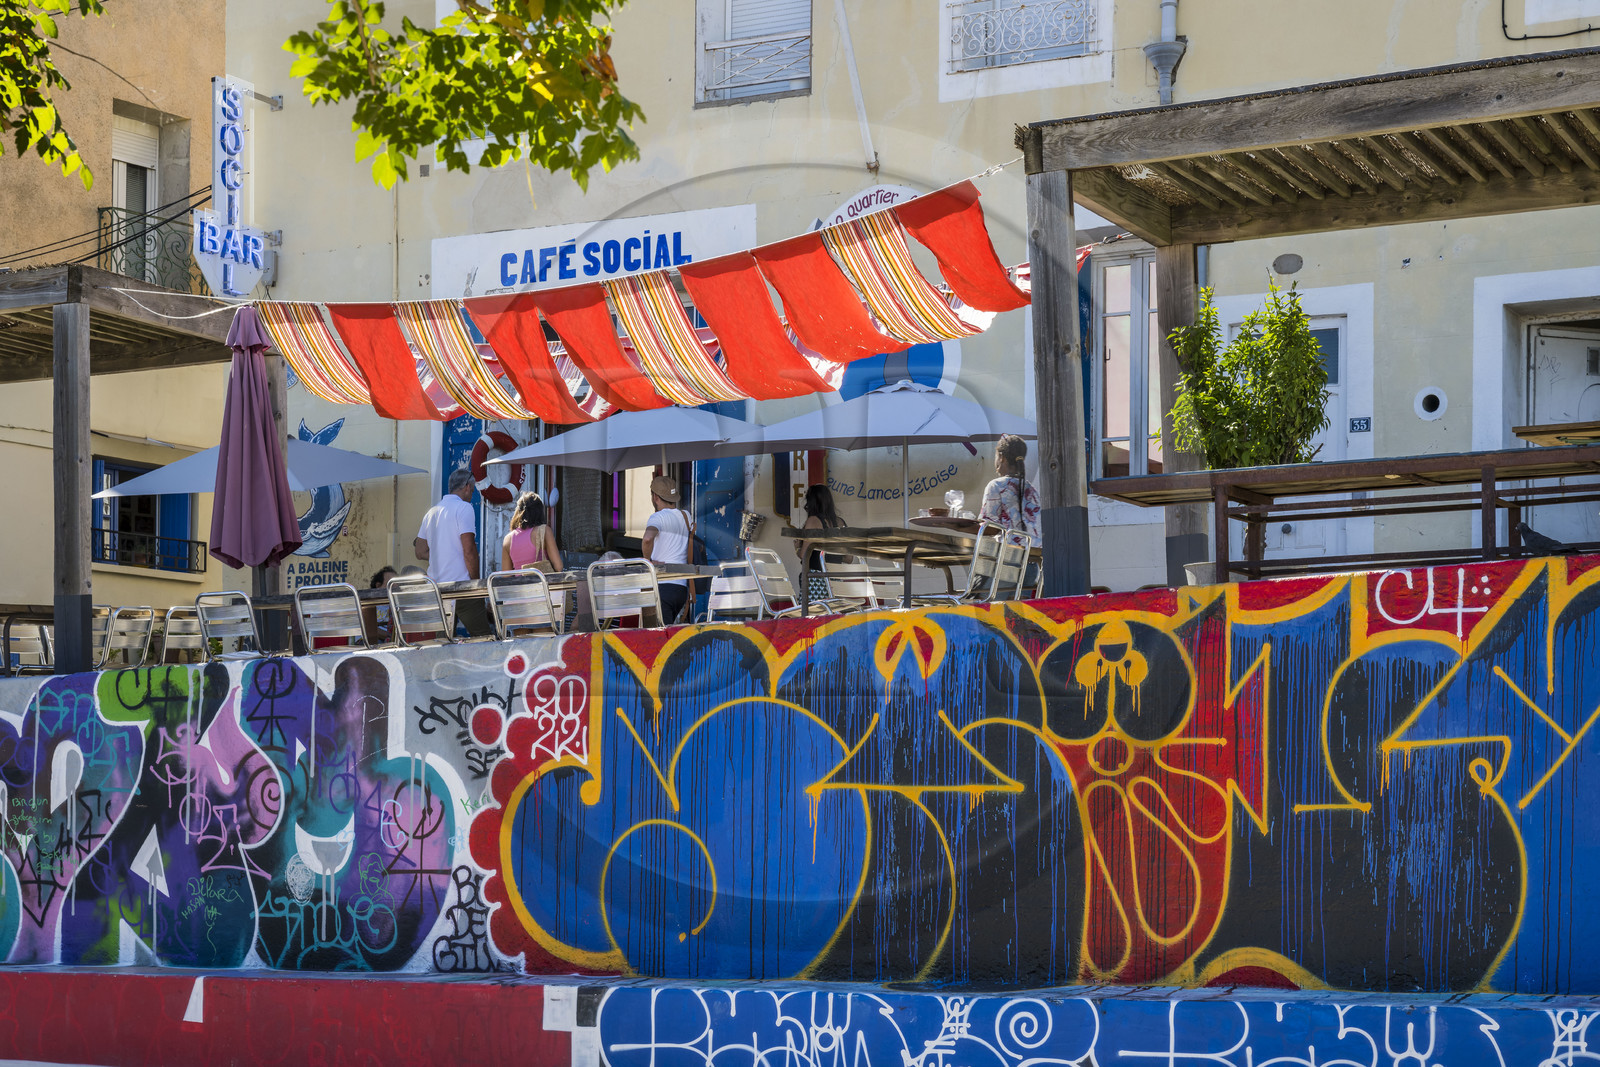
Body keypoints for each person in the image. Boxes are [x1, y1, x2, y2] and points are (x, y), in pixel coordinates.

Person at [414, 468, 487, 636]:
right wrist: (476, 583)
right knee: (484, 638)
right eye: (472, 489)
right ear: (467, 487)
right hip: (461, 587)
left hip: (436, 589)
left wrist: (440, 553)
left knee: (443, 643)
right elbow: (469, 550)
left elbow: (419, 551)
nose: (472, 492)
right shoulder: (464, 508)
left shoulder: (430, 513)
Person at [640, 475, 692, 624]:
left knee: (659, 638)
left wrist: (647, 561)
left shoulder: (657, 518)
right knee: (669, 633)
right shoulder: (686, 516)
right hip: (681, 588)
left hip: (662, 586)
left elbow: (647, 538)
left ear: (655, 496)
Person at [980, 434, 1041, 546]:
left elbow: (989, 529)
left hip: (1010, 557)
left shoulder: (996, 486)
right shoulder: (1032, 490)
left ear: (1001, 457)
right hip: (1034, 557)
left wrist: (956, 526)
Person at [793, 484, 846, 601]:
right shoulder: (841, 522)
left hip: (817, 581)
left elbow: (804, 555)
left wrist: (797, 548)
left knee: (812, 617)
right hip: (837, 583)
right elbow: (848, 558)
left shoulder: (813, 521)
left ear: (811, 502)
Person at [500, 491, 563, 573]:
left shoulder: (508, 539)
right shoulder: (544, 531)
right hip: (540, 584)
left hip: (518, 585)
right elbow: (558, 567)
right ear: (540, 511)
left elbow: (506, 576)